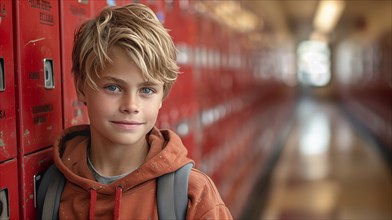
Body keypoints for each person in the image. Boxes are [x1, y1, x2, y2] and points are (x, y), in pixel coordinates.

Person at [52, 3, 233, 219]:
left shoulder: (192, 196)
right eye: (113, 87)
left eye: (146, 90)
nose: (131, 105)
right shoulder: (54, 188)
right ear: (81, 86)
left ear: (162, 96)